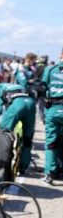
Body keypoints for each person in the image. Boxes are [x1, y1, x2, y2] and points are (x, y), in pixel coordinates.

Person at [0, 80, 36, 174]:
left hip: (17, 105)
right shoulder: (14, 85)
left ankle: (1, 164)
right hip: (31, 103)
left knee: (3, 135)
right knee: (27, 139)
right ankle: (23, 167)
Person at [42, 50, 63, 184]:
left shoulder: (50, 69)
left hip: (54, 109)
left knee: (51, 143)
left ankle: (50, 173)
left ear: (61, 55)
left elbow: (42, 88)